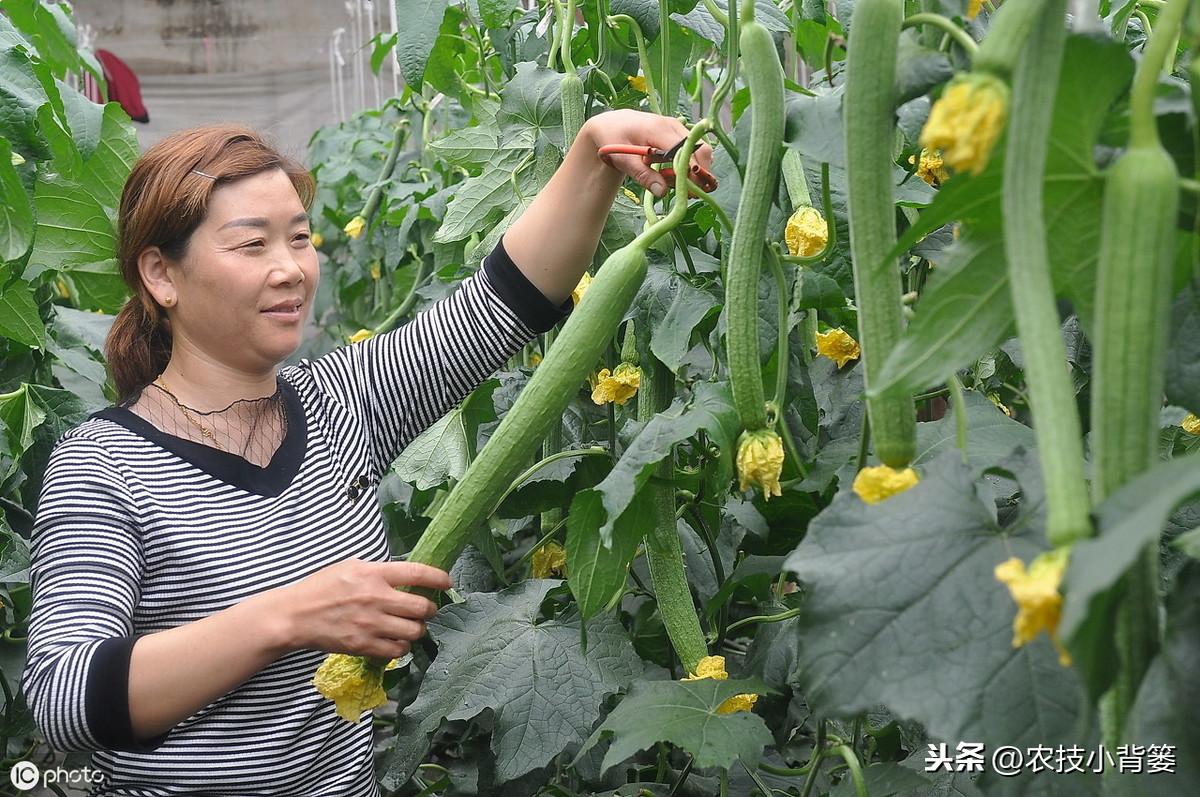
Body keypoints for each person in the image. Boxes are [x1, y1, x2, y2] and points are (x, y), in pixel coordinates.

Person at [20, 110, 713, 795]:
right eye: (252, 245)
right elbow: (64, 696)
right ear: (161, 275)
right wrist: (288, 614)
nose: (291, 268)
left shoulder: (341, 403)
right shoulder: (102, 466)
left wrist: (594, 148)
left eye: (300, 239)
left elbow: (506, 299)